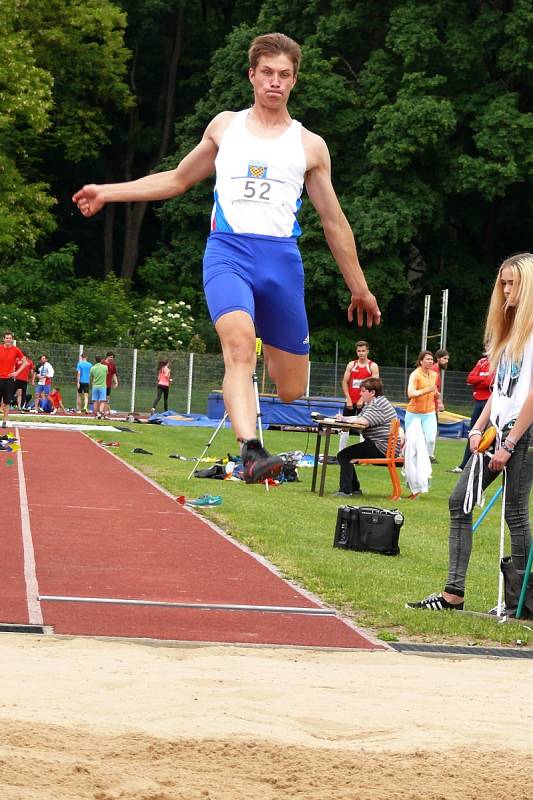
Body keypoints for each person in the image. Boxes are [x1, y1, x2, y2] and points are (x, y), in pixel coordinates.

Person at [73, 32, 380, 484]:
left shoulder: (309, 146)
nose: (275, 82)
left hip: (281, 263)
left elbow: (334, 222)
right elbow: (177, 180)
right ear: (252, 75)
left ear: (294, 81)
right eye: (267, 73)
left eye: (285, 75)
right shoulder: (225, 127)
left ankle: (270, 365)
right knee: (239, 352)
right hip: (228, 252)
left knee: (292, 388)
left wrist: (359, 287)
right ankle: (250, 449)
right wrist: (107, 191)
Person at [407, 253, 533, 612]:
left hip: (522, 436)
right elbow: (500, 391)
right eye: (503, 283)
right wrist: (477, 428)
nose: (506, 290)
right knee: (459, 502)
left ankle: (521, 601)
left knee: (516, 514)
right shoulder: (508, 334)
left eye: (513, 283)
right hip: (495, 432)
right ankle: (453, 594)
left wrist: (510, 441)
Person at [334, 378, 400, 497]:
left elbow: (363, 422)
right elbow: (358, 417)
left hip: (382, 447)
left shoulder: (377, 405)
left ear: (372, 392)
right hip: (381, 445)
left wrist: (346, 421)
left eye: (363, 391)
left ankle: (346, 491)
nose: (360, 394)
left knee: (344, 455)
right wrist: (344, 419)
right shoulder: (374, 403)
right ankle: (354, 489)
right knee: (345, 455)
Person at [450, 354, 493, 473]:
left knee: (490, 436)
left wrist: (480, 380)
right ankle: (464, 465)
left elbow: (491, 381)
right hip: (479, 401)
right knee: (473, 433)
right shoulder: (482, 361)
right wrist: (483, 379)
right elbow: (470, 378)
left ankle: (486, 467)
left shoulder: (500, 360)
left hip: (490, 402)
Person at [339, 340, 380, 450]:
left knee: (363, 427)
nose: (361, 353)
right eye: (359, 351)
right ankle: (341, 452)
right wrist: (348, 398)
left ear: (367, 351)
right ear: (356, 352)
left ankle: (362, 454)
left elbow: (375, 385)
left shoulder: (373, 366)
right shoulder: (352, 364)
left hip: (366, 402)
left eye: (363, 351)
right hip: (351, 400)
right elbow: (344, 382)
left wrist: (362, 399)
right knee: (344, 427)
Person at [404, 350, 440, 459]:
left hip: (429, 412)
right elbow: (410, 393)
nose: (430, 361)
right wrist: (427, 390)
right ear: (421, 362)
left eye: (431, 359)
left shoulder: (434, 375)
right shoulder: (415, 375)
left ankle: (428, 459)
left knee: (430, 439)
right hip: (414, 413)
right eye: (427, 359)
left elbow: (433, 391)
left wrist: (436, 396)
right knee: (411, 440)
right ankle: (405, 457)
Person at [0, 331, 28, 428]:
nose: (8, 340)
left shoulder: (16, 350)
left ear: (12, 339)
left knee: (7, 401)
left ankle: (5, 420)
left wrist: (17, 372)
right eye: (6, 338)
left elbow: (25, 362)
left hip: (9, 379)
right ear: (4, 339)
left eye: (10, 338)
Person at [101, 351, 118, 419]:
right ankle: (99, 413)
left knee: (107, 400)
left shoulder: (112, 365)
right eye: (111, 357)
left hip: (108, 385)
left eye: (112, 358)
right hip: (101, 384)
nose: (112, 359)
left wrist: (116, 382)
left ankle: (105, 414)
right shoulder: (102, 363)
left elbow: (114, 374)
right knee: (101, 400)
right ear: (107, 356)